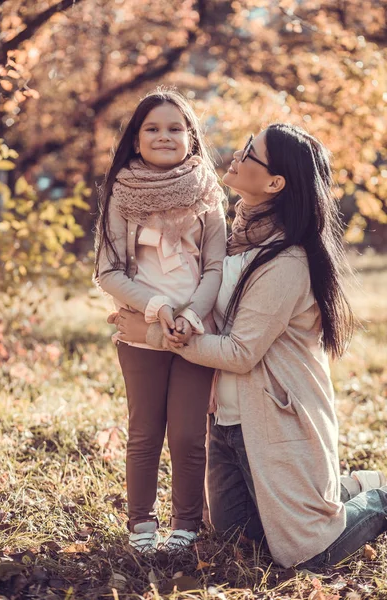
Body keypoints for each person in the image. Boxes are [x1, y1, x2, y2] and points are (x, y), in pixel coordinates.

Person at [112, 123, 387, 569]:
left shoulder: (288, 259)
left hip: (277, 422)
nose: (236, 156)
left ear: (275, 183)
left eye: (250, 153)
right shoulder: (235, 236)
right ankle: (331, 489)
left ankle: (375, 496)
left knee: (306, 554)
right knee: (238, 540)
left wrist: (154, 336)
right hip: (225, 422)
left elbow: (240, 352)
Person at [94, 89, 227, 552]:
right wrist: (157, 308)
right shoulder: (120, 193)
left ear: (191, 137)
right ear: (135, 140)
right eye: (152, 128)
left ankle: (186, 525)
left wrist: (191, 313)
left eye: (175, 128)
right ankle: (142, 526)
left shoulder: (209, 192)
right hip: (140, 330)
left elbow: (215, 267)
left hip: (195, 330)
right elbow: (107, 270)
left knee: (189, 435)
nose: (164, 135)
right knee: (145, 431)